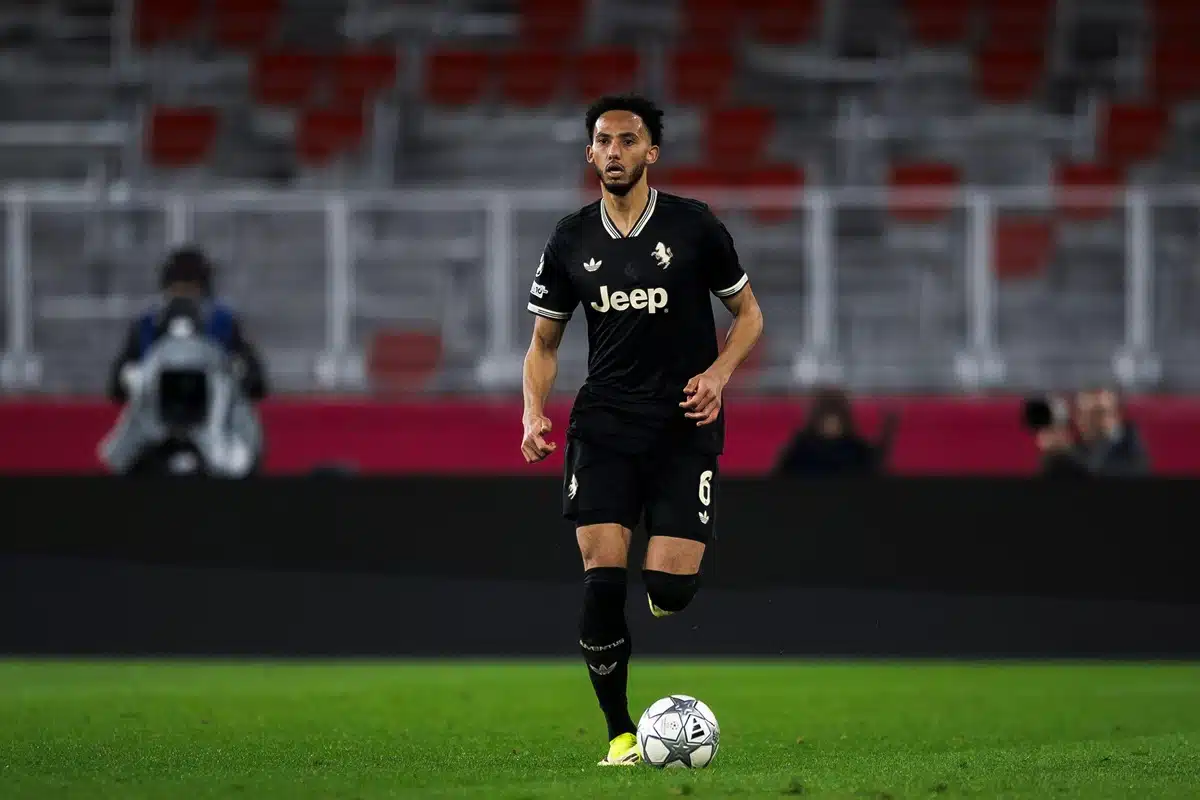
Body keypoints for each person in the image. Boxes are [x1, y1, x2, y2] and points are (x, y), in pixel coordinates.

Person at [519, 95, 764, 767]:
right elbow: (543, 344)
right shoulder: (570, 239)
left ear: (651, 152)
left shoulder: (694, 227)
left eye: (630, 140)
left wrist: (717, 375)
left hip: (684, 425)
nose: (616, 150)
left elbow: (748, 316)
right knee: (602, 580)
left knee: (670, 591)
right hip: (603, 425)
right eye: (604, 140)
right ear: (591, 153)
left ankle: (662, 594)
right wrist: (533, 412)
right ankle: (620, 734)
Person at [774, 386, 896, 476]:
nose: (831, 427)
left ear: (844, 421)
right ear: (816, 420)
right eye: (826, 421)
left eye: (835, 422)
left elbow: (873, 473)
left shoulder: (855, 448)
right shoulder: (801, 449)